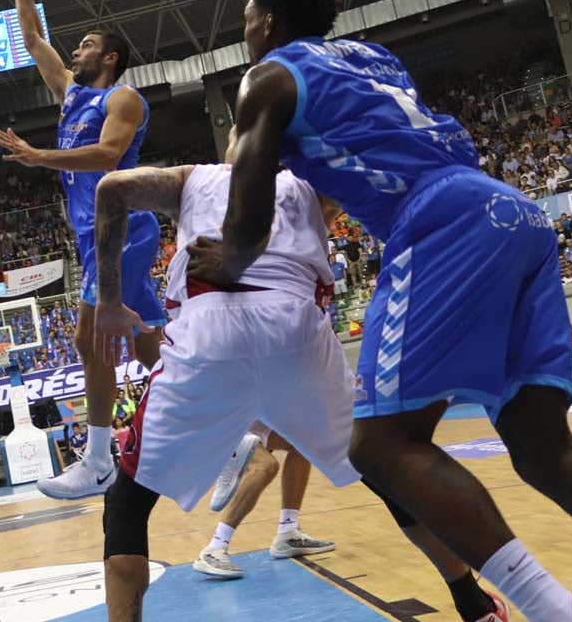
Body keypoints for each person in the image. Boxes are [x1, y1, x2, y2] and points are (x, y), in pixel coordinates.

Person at [189, 0, 563, 621]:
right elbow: (367, 152)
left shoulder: (266, 76)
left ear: (267, 23)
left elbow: (245, 215)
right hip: (512, 212)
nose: (245, 30)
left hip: (440, 221)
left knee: (381, 445)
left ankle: (549, 608)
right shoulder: (372, 56)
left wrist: (229, 261)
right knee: (540, 443)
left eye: (247, 18)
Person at [94, 157, 506, 622]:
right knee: (388, 471)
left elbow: (111, 187)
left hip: (210, 338)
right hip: (296, 333)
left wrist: (109, 302)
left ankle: (238, 456)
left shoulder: (192, 179)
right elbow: (400, 191)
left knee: (128, 499)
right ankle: (472, 603)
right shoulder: (312, 183)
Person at [0, 0, 164, 501]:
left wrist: (40, 156)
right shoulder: (70, 95)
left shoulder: (123, 98)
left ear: (110, 57)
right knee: (146, 348)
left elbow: (110, 156)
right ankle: (227, 427)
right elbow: (32, 38)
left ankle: (97, 461)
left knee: (90, 339)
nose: (76, 48)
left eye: (88, 43)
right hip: (93, 233)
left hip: (124, 227)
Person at [194, 428, 335, 579]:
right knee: (264, 466)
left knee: (304, 444)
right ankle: (214, 548)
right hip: (222, 423)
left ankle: (288, 532)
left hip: (250, 421)